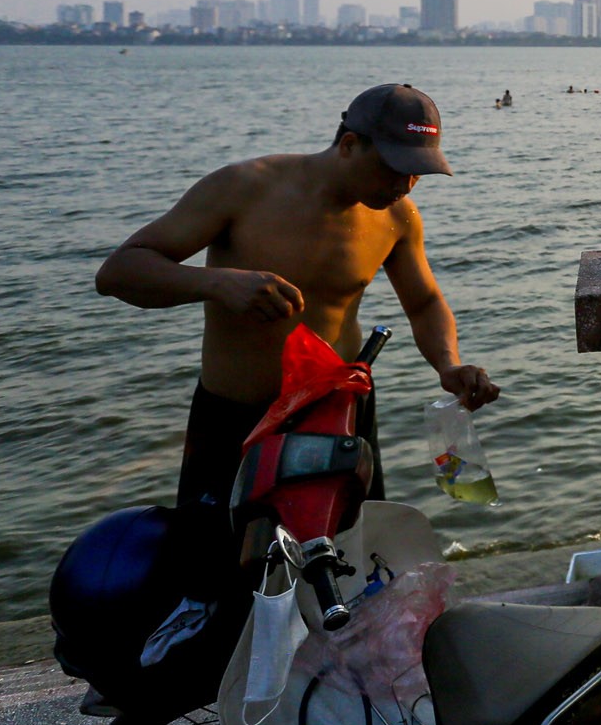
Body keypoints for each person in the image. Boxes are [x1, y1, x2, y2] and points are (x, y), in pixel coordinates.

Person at [95, 83, 501, 594]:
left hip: (338, 418)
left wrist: (448, 364)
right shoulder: (243, 187)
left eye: (418, 169)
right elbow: (118, 272)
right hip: (236, 420)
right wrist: (217, 283)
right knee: (216, 572)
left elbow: (423, 302)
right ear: (350, 145)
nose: (406, 183)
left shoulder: (397, 216)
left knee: (347, 565)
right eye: (393, 166)